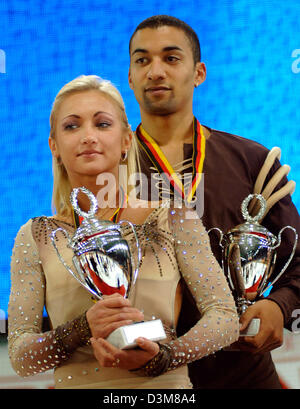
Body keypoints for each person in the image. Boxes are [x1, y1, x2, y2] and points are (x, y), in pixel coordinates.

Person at [8, 75, 239, 389]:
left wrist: (164, 357)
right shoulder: (35, 235)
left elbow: (224, 317)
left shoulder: (171, 215)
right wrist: (80, 329)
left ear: (127, 141)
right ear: (54, 146)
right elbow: (21, 357)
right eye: (72, 126)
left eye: (102, 124)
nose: (88, 136)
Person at [128, 15, 300, 388]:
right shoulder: (107, 167)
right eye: (142, 60)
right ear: (130, 76)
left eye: (171, 58)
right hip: (143, 377)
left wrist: (278, 305)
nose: (155, 71)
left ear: (199, 72)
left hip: (243, 373)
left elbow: (298, 260)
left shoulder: (252, 162)